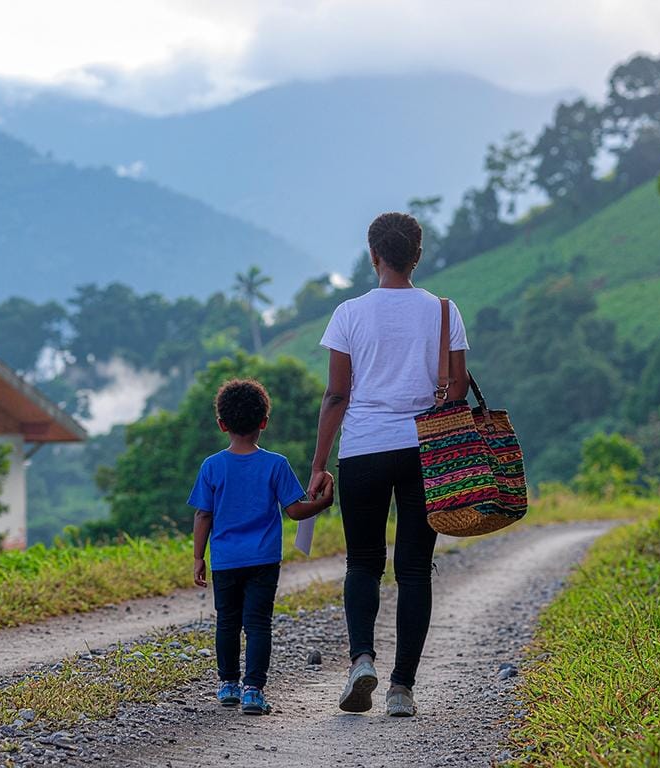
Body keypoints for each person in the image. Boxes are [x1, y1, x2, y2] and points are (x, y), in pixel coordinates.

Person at [306, 212, 470, 717]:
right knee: (415, 569)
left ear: (373, 255)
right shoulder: (444, 312)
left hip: (363, 450)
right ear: (417, 256)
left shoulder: (349, 313)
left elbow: (337, 395)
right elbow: (458, 389)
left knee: (363, 562)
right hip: (425, 452)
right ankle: (402, 690)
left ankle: (361, 660)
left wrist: (318, 463)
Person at [189, 378, 334, 716]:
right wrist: (324, 504)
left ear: (222, 424)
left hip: (225, 560)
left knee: (227, 622)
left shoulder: (212, 466)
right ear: (264, 422)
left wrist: (198, 557)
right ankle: (253, 691)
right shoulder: (276, 464)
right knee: (257, 624)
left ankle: (228, 685)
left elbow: (203, 515)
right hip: (264, 560)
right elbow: (295, 510)